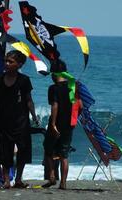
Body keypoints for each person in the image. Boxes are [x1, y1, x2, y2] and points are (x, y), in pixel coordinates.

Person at [0, 50, 39, 189]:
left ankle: (18, 179)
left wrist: (34, 116)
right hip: (4, 121)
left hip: (21, 121)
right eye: (6, 61)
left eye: (10, 62)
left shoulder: (24, 80)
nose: (7, 64)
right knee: (5, 151)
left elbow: (29, 100)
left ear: (19, 64)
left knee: (23, 150)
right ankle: (6, 181)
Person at [43, 59, 82, 189]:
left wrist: (53, 124)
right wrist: (74, 119)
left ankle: (52, 176)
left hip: (57, 123)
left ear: (54, 73)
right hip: (69, 124)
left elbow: (55, 105)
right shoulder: (73, 86)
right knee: (64, 154)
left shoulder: (53, 88)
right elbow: (80, 105)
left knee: (48, 149)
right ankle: (64, 183)